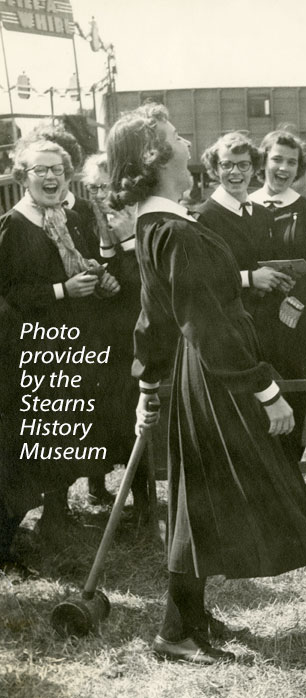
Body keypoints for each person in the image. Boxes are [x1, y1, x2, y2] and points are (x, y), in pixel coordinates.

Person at [107, 104, 306, 664]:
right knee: (204, 500)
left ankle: (188, 618)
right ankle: (177, 631)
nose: (186, 141)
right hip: (213, 378)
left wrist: (149, 384)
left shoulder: (154, 226)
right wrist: (266, 390)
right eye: (175, 136)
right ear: (156, 156)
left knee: (196, 498)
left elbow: (154, 321)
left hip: (190, 376)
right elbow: (211, 327)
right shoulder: (177, 232)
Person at [0, 139, 120, 561]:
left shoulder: (70, 218)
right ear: (22, 177)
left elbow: (84, 265)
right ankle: (19, 534)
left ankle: (56, 512)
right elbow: (8, 294)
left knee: (67, 430)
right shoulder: (13, 226)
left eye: (58, 170)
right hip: (34, 349)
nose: (51, 178)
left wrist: (98, 281)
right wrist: (61, 290)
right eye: (40, 171)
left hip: (76, 343)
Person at [80, 153, 154, 521]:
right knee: (96, 406)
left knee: (130, 409)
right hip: (97, 329)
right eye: (91, 186)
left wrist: (121, 256)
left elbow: (148, 277)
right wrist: (98, 280)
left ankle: (142, 498)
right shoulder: (81, 216)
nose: (97, 193)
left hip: (132, 329)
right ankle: (96, 482)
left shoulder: (138, 216)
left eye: (103, 186)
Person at [249, 130, 306, 461]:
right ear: (263, 160)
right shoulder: (243, 207)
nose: (283, 168)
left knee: (293, 392)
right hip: (252, 318)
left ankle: (289, 471)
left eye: (292, 162)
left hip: (295, 318)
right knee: (255, 395)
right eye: (277, 159)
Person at [195, 132, 293, 319]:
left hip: (265, 321)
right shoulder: (203, 217)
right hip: (228, 323)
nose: (235, 172)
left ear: (253, 169)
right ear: (215, 169)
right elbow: (201, 279)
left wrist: (278, 279)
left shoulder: (263, 214)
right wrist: (251, 279)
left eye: (243, 165)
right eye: (226, 165)